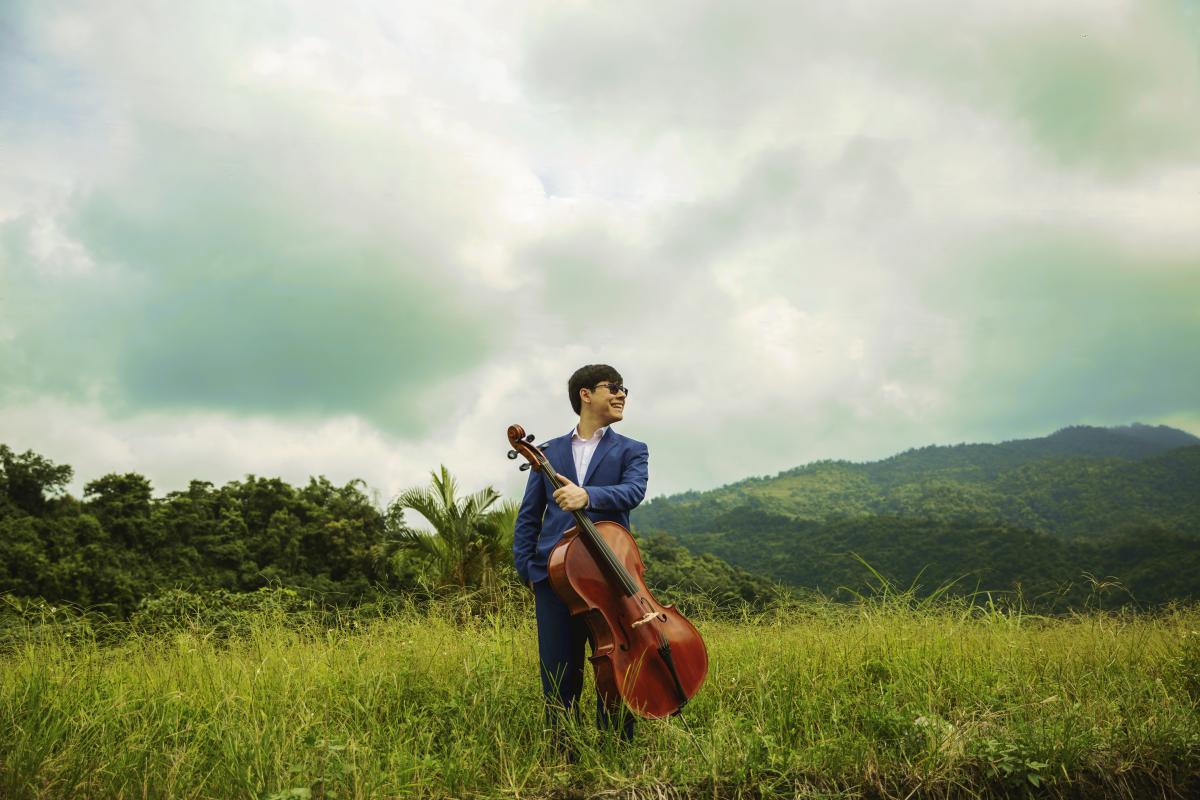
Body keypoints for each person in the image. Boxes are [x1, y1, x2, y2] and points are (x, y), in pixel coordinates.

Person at [512, 364, 649, 748]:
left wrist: (588, 496)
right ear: (585, 394)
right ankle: (563, 760)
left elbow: (633, 491)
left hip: (609, 578)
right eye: (615, 388)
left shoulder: (632, 449)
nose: (622, 395)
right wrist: (529, 571)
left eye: (625, 389)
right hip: (554, 579)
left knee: (616, 667)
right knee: (558, 676)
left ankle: (617, 755)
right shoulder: (548, 452)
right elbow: (528, 517)